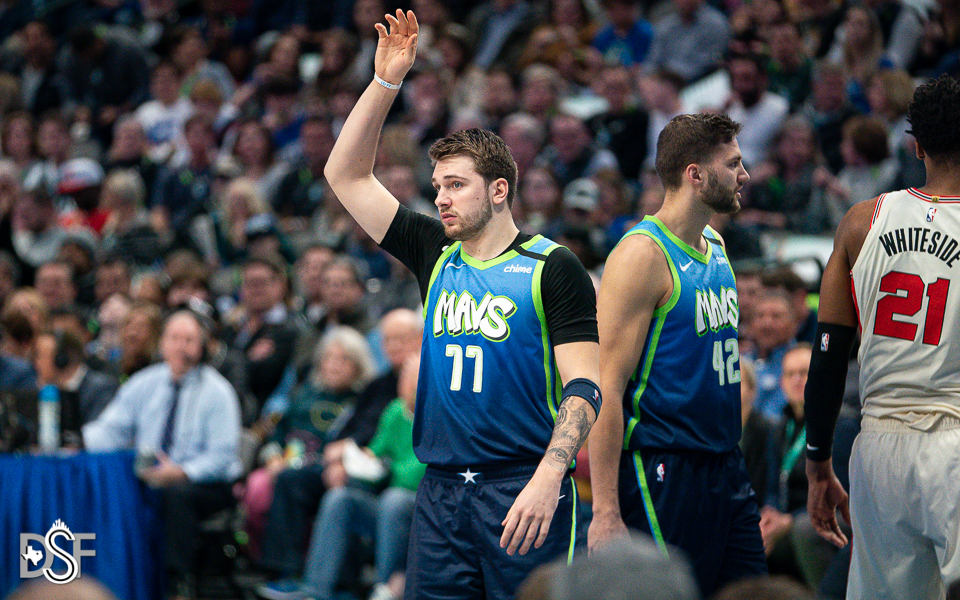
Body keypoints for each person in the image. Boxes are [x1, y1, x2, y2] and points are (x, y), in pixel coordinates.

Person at [323, 10, 601, 600]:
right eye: (438, 185)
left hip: (522, 484)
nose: (440, 198)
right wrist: (385, 84)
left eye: (456, 185)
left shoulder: (555, 267)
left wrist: (552, 475)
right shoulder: (434, 251)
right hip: (442, 491)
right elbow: (344, 175)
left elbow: (586, 387)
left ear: (499, 190)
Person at [588, 113, 766, 596]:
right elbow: (605, 385)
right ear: (696, 174)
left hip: (727, 463)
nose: (744, 175)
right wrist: (605, 510)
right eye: (733, 164)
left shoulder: (715, 242)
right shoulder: (641, 256)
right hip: (664, 469)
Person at [805, 74, 960, 599]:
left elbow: (827, 355)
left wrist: (818, 460)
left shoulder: (860, 221)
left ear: (914, 146)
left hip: (878, 448)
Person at [82, 309, 243, 600]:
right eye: (174, 338)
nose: (181, 347)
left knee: (176, 495)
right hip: (151, 473)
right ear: (162, 343)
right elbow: (111, 428)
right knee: (111, 483)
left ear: (203, 346)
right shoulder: (145, 382)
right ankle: (113, 576)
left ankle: (175, 583)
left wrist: (181, 472)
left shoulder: (219, 391)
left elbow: (222, 456)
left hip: (206, 484)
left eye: (189, 339)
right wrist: (79, 442)